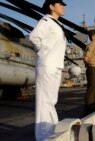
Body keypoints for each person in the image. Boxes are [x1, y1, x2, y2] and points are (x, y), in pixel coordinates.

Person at [29, 0, 67, 140]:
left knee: (51, 100)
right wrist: (43, 52)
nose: (63, 7)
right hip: (47, 64)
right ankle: (42, 136)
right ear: (52, 7)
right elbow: (34, 37)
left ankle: (51, 130)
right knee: (44, 101)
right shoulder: (46, 21)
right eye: (60, 4)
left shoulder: (58, 24)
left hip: (56, 65)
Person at [83, 28, 95, 115]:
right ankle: (88, 109)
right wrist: (90, 66)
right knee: (92, 89)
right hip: (93, 68)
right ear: (93, 37)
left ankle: (94, 107)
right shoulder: (91, 46)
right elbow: (86, 58)